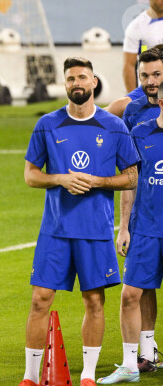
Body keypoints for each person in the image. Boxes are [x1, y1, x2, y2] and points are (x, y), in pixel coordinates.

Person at [19, 57, 139, 386]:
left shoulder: (114, 126)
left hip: (95, 230)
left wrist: (99, 182)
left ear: (94, 82)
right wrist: (60, 179)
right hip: (55, 231)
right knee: (40, 299)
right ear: (65, 84)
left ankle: (87, 375)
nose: (77, 83)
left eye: (82, 77)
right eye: (71, 78)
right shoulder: (47, 124)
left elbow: (131, 177)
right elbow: (30, 175)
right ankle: (30, 377)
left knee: (94, 300)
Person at [97, 83, 163, 384]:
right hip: (146, 230)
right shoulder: (141, 133)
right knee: (130, 295)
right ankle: (130, 365)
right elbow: (130, 182)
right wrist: (123, 226)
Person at [104, 0, 163, 119]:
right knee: (116, 109)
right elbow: (129, 65)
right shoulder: (137, 27)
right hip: (150, 87)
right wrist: (136, 103)